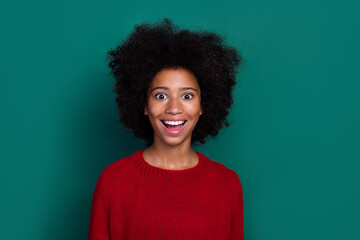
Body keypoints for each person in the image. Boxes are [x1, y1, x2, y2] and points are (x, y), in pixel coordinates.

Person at [88, 18, 244, 240]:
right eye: (161, 95)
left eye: (187, 96)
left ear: (203, 105)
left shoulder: (227, 185)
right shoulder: (113, 182)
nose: (173, 108)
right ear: (143, 104)